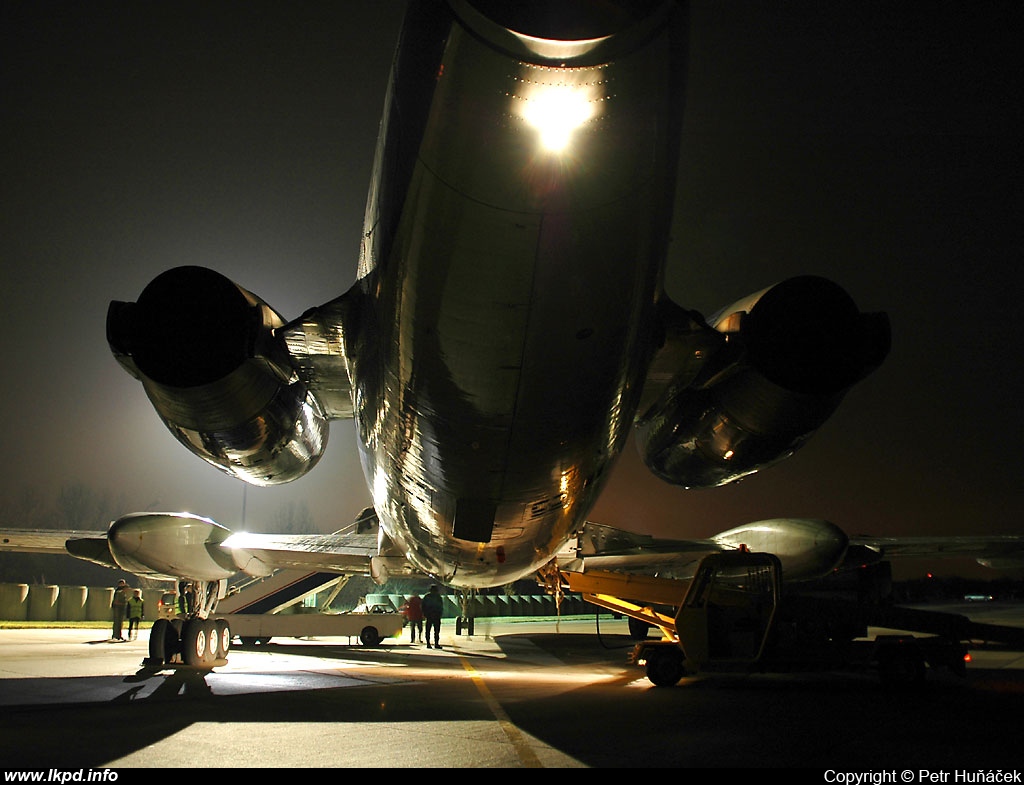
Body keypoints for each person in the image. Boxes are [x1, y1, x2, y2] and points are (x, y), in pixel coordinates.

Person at [421, 584, 444, 649]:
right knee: (436, 631)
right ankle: (436, 644)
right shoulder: (438, 597)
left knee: (428, 630)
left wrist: (424, 614)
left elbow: (423, 606)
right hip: (436, 616)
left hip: (429, 616)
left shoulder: (427, 596)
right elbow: (441, 607)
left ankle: (428, 643)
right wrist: (440, 614)